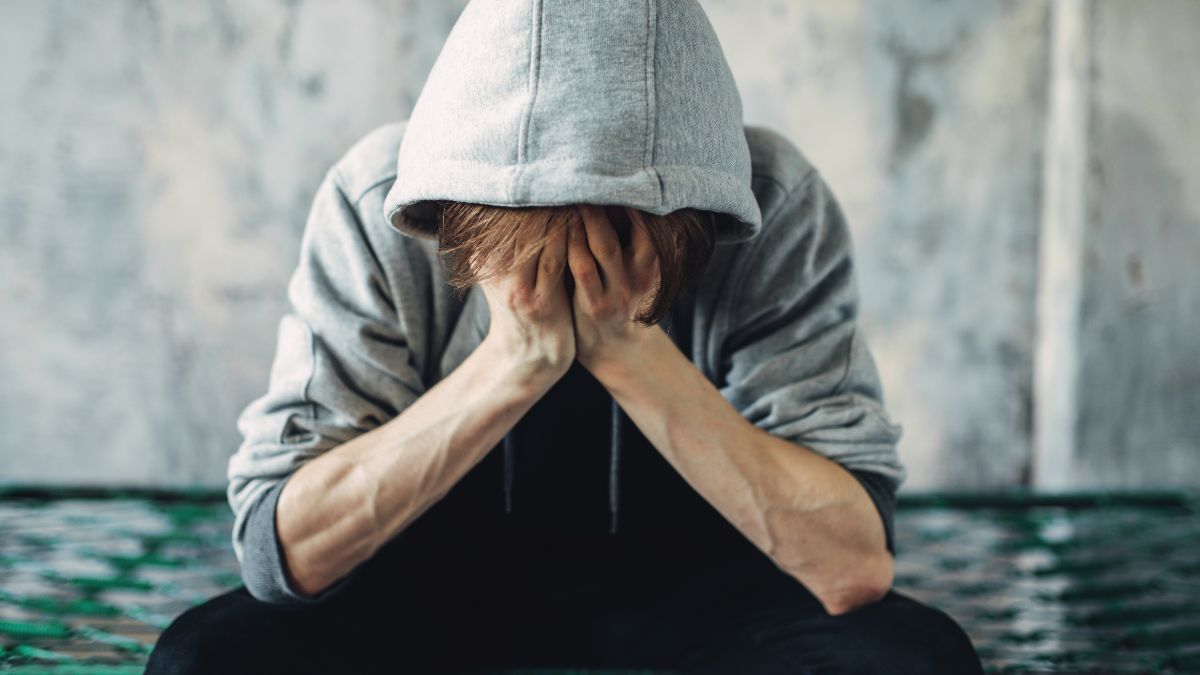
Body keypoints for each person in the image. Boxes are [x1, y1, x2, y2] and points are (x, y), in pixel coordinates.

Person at [146, 0, 984, 672]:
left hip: (710, 604)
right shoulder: (376, 202)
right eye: (537, 263)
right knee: (205, 658)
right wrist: (514, 361)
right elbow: (279, 554)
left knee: (917, 658)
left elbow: (855, 569)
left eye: (614, 248)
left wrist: (630, 351)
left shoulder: (775, 206)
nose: (575, 282)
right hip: (427, 598)